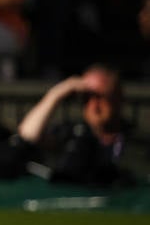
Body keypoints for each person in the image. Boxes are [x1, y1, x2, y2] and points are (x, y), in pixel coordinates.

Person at [14, 65, 146, 184]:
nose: (94, 105)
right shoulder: (72, 135)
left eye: (100, 97)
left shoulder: (138, 140)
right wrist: (58, 92)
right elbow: (26, 137)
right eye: (86, 98)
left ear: (118, 97)